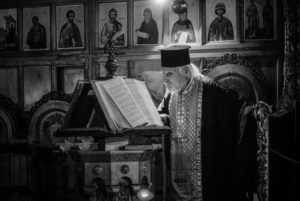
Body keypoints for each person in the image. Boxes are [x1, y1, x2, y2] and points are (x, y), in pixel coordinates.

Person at [158, 45, 256, 201]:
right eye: (163, 74)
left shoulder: (212, 91)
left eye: (168, 74)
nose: (164, 80)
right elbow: (164, 116)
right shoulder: (171, 94)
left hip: (208, 171)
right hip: (177, 170)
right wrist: (161, 118)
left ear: (185, 71)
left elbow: (237, 111)